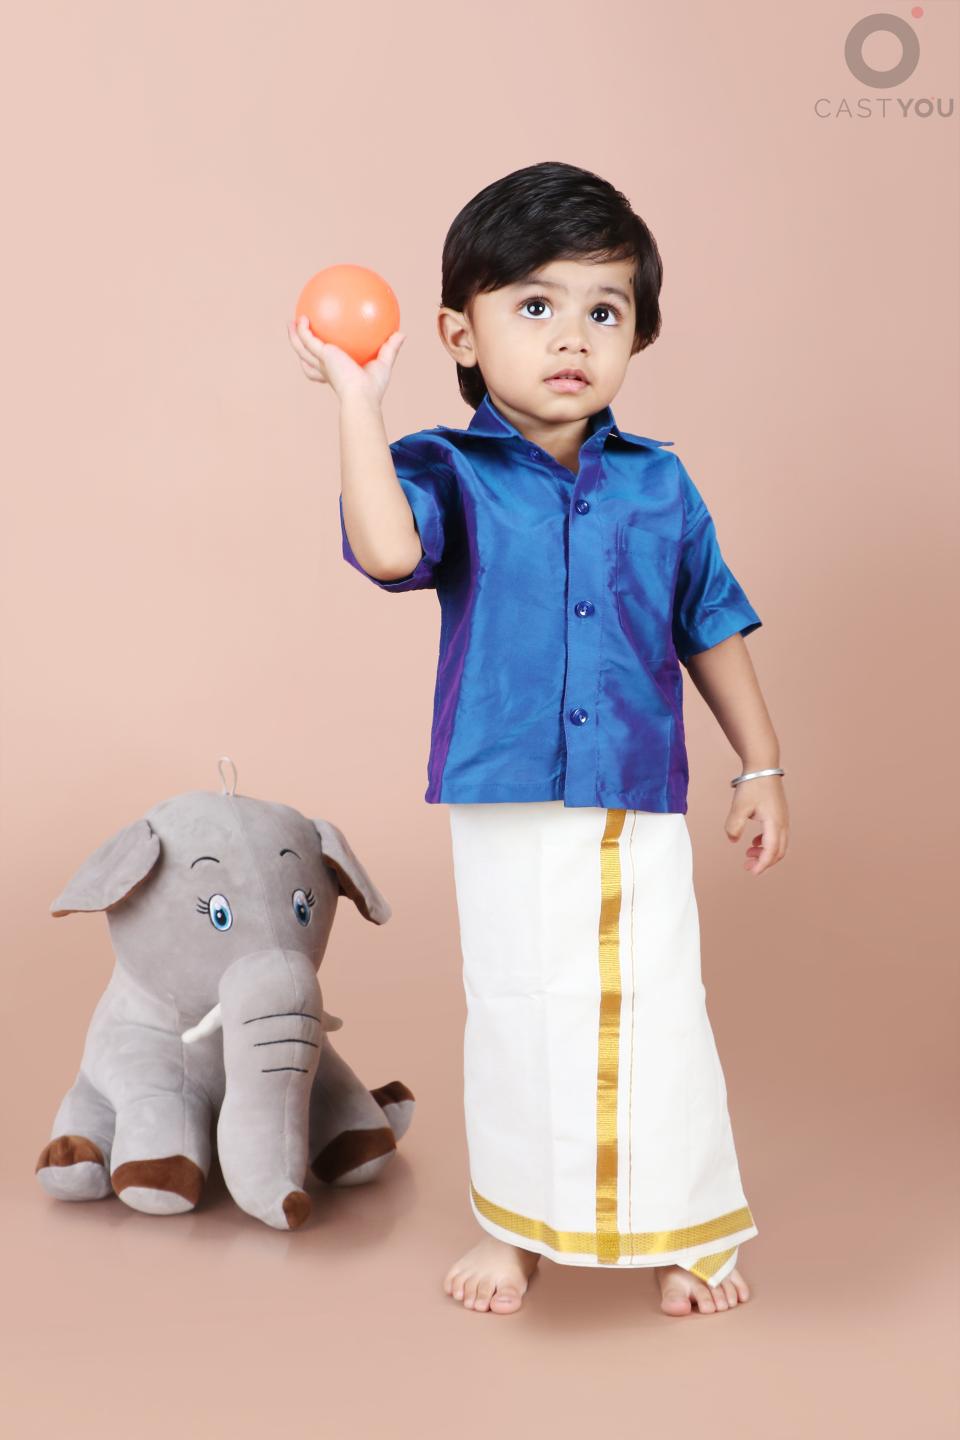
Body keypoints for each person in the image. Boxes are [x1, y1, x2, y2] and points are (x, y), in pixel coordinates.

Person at [287, 161, 789, 1319]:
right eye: (534, 305)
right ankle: (518, 1227)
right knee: (519, 1007)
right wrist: (356, 402)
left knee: (659, 1008)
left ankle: (690, 1231)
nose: (572, 336)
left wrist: (762, 765)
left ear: (637, 335)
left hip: (635, 794)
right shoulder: (446, 470)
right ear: (461, 333)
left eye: (604, 311)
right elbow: (390, 551)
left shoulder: (662, 485)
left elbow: (708, 620)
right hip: (504, 792)